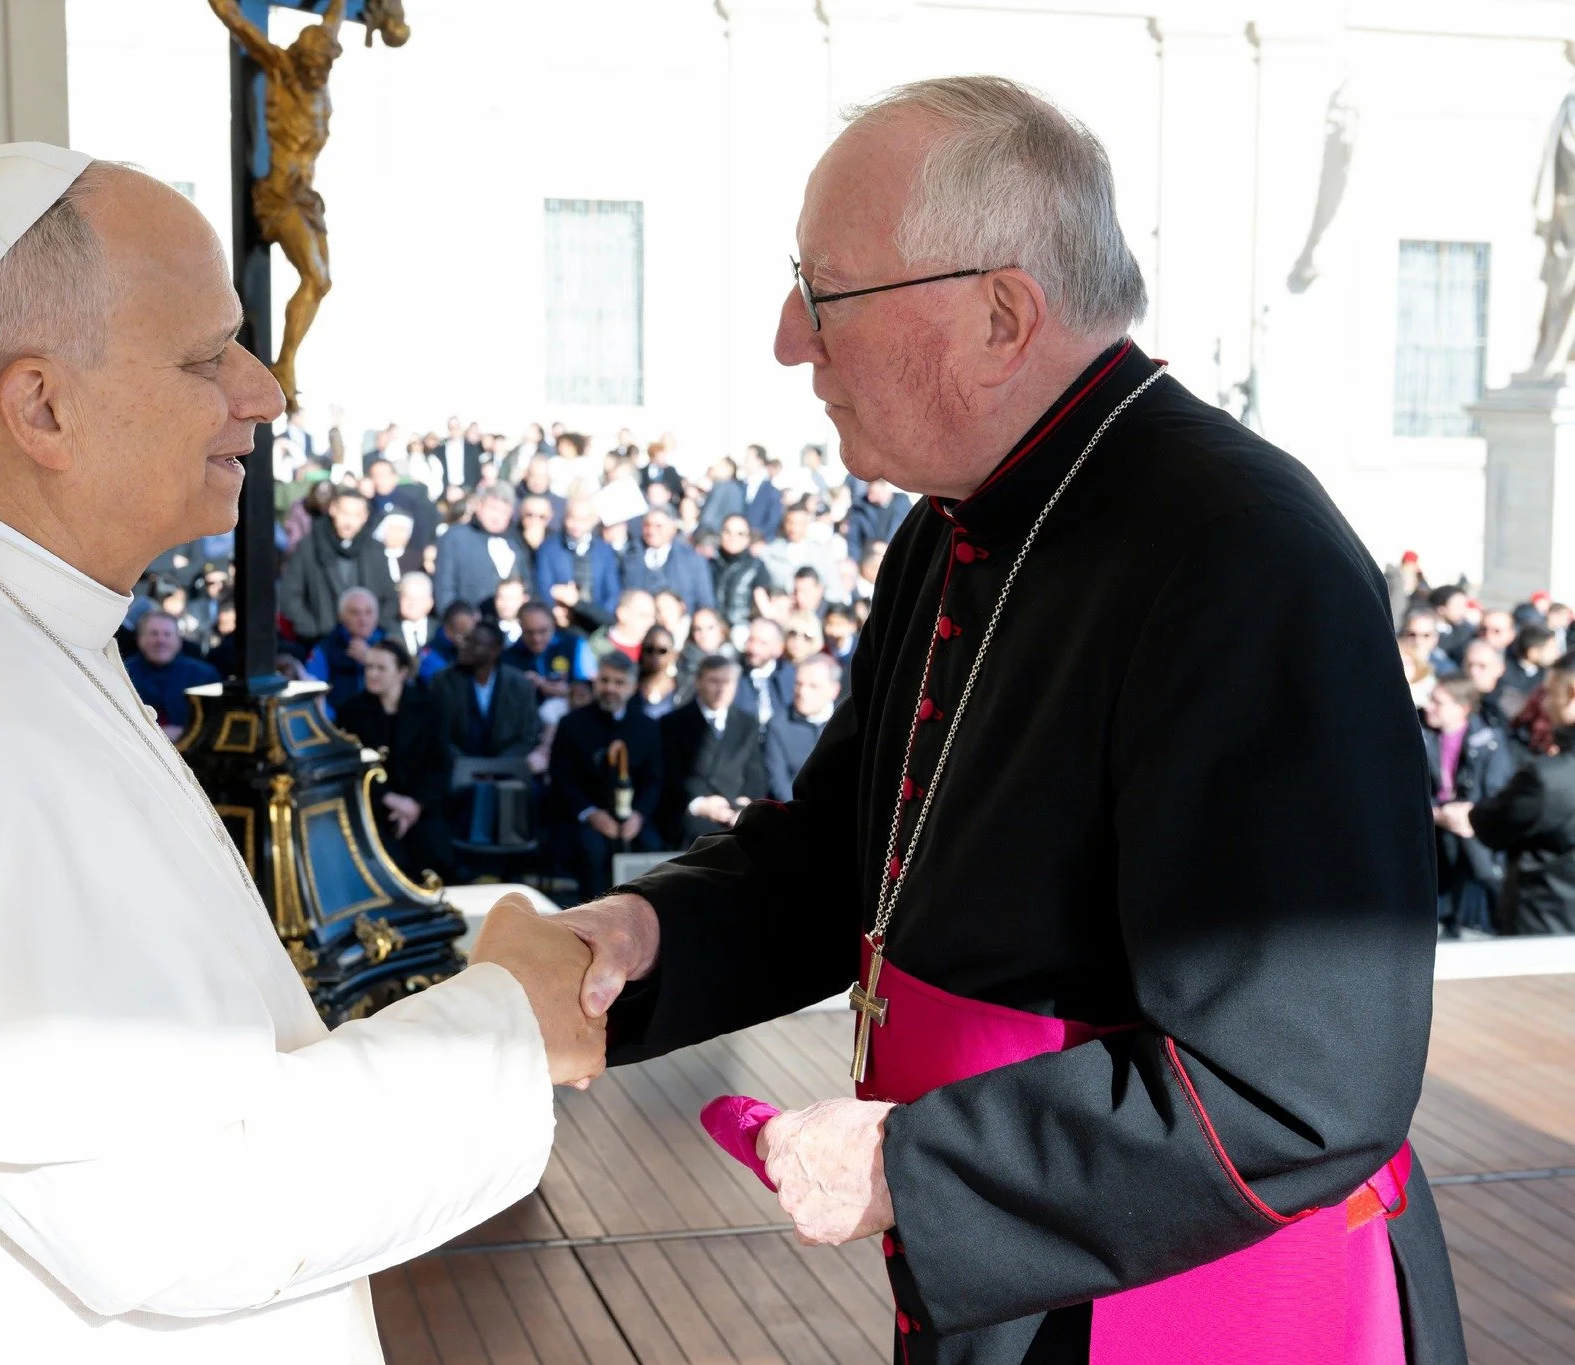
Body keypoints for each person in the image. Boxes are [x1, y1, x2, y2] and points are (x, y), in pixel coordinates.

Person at [543, 77, 1460, 1363]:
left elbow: (1299, 1084)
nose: (787, 341)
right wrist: (647, 930)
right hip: (1017, 1263)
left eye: (827, 292)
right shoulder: (953, 525)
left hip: (1183, 1290)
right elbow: (855, 857)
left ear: (998, 315)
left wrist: (919, 1168)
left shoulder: (1242, 559)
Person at [0, 145, 604, 1365]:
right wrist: (511, 1026)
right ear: (41, 405)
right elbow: (177, 1209)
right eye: (206, 354)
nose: (262, 391)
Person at [336, 640, 451, 883]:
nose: (372, 674)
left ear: (402, 672)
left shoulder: (429, 708)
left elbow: (439, 765)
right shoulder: (351, 711)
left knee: (433, 852)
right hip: (372, 808)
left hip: (421, 809)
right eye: (368, 667)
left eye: (380, 668)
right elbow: (349, 768)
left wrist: (415, 805)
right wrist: (390, 799)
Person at [548, 651, 661, 900]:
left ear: (632, 687)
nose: (610, 688)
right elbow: (561, 778)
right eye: (605, 680)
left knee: (650, 846)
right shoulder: (572, 724)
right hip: (584, 817)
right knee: (593, 848)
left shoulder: (647, 727)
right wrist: (591, 813)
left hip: (632, 817)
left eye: (619, 682)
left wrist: (638, 816)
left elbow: (654, 780)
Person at [1472, 665, 1575, 934]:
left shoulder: (1547, 779)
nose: (1545, 703)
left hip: (1546, 927)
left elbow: (1491, 826)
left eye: (1551, 694)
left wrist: (1473, 814)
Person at [1424, 677, 1515, 939]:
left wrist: (1469, 815)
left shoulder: (1489, 742)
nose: (1429, 707)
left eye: (1438, 702)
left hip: (1471, 829)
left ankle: (1474, 918)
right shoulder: (1421, 736)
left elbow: (1497, 793)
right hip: (1435, 824)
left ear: (1462, 708)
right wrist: (1439, 814)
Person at [658, 655, 765, 847]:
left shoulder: (748, 724)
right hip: (691, 814)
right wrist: (699, 804)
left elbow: (755, 773)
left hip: (737, 812)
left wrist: (746, 805)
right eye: (714, 681)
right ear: (698, 682)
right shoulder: (672, 724)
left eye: (727, 682)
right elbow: (670, 775)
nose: (721, 689)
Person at [280, 486, 395, 647]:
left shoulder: (374, 549)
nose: (349, 522)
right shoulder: (308, 547)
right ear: (333, 509)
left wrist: (373, 629)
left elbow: (388, 596)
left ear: (365, 517)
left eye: (356, 515)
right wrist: (311, 628)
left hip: (368, 644)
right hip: (319, 642)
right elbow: (289, 595)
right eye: (345, 513)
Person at [429, 620, 539, 762]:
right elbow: (437, 732)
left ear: (495, 650)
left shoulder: (520, 685)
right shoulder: (444, 681)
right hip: (456, 768)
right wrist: (464, 764)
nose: (464, 646)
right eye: (466, 640)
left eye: (475, 643)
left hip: (508, 769)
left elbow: (528, 736)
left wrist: (498, 766)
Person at [125, 609, 222, 741]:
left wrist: (186, 733)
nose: (160, 640)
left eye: (167, 634)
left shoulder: (205, 676)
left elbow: (216, 725)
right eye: (154, 634)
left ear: (179, 640)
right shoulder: (122, 673)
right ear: (140, 639)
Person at [762, 652, 840, 802]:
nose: (802, 692)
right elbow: (778, 782)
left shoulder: (849, 722)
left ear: (833, 690)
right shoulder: (778, 725)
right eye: (798, 683)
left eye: (813, 686)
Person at [432, 483, 523, 609]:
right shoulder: (455, 537)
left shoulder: (515, 542)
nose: (497, 518)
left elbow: (526, 584)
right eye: (493, 509)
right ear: (479, 506)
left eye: (504, 512)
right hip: (467, 620)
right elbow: (444, 587)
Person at [535, 495, 622, 626]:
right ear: (565, 518)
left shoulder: (605, 551)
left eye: (583, 520)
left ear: (594, 520)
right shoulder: (548, 548)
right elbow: (543, 587)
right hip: (560, 622)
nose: (576, 525)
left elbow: (612, 592)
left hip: (597, 622)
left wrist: (600, 617)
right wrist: (554, 612)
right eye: (572, 518)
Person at [304, 586, 386, 712]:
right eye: (355, 613)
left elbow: (401, 687)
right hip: (339, 722)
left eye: (368, 612)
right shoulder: (325, 648)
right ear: (341, 616)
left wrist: (370, 661)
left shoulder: (389, 645)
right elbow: (314, 691)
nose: (363, 620)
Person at [621, 508, 715, 611]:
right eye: (647, 525)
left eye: (658, 526)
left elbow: (705, 601)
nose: (651, 531)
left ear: (672, 528)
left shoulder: (692, 559)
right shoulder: (631, 556)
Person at [504, 600, 594, 700]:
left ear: (553, 625)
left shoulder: (576, 645)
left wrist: (547, 686)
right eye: (529, 632)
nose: (536, 638)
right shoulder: (509, 656)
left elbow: (589, 688)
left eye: (542, 631)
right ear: (521, 628)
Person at [710, 513, 773, 633]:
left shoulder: (756, 566)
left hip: (741, 627)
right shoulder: (710, 563)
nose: (733, 538)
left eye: (740, 534)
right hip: (712, 626)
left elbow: (762, 601)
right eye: (728, 532)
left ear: (748, 538)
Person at [731, 617, 791, 732]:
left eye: (762, 643)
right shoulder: (734, 674)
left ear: (778, 648)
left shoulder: (789, 675)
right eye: (751, 640)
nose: (753, 648)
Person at [1461, 638, 1527, 732]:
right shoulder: (1455, 698)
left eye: (1482, 666)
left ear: (1499, 668)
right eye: (1469, 665)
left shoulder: (1513, 704)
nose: (1473, 672)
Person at [635, 626, 682, 719]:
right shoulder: (629, 686)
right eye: (649, 649)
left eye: (662, 650)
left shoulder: (684, 690)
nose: (655, 655)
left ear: (673, 655)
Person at [391, 570, 438, 661]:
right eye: (408, 597)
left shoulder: (440, 630)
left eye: (418, 598)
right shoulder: (388, 630)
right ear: (399, 599)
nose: (412, 604)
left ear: (430, 601)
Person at [740, 445, 784, 541]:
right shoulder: (739, 486)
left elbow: (773, 521)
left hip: (760, 544)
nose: (744, 461)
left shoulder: (772, 491)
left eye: (748, 458)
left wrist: (757, 538)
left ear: (759, 460)